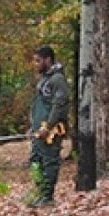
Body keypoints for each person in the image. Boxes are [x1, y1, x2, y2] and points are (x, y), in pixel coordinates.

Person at [29, 45, 69, 207]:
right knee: (35, 160)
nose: (36, 64)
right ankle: (40, 193)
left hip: (51, 131)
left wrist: (48, 126)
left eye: (38, 61)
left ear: (48, 60)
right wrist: (33, 126)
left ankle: (48, 196)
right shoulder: (43, 79)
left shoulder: (57, 79)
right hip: (38, 130)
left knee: (49, 161)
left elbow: (59, 105)